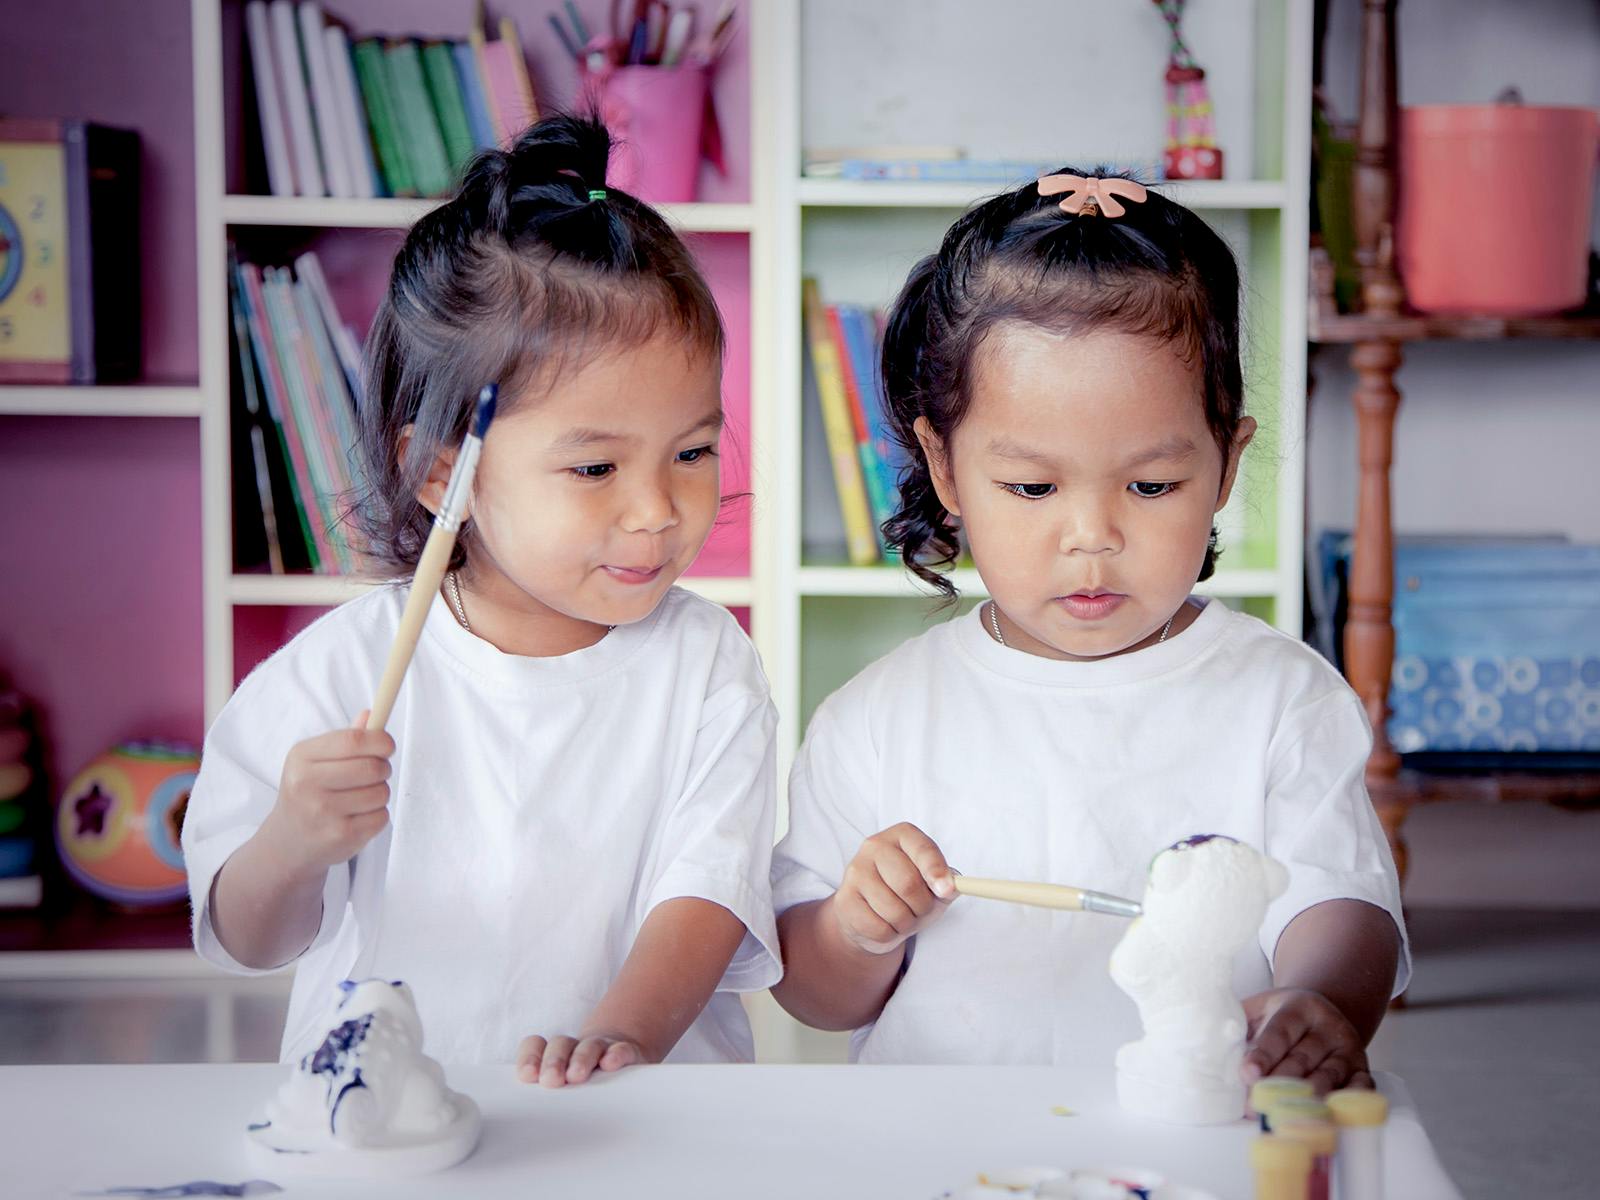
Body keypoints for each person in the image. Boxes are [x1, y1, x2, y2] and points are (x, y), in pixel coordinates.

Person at [771, 171, 1406, 1093]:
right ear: (946, 469)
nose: (1092, 535)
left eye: (1151, 486)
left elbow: (1346, 908)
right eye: (1033, 488)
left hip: (1197, 1131)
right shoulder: (878, 718)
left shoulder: (1281, 697)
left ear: (1227, 464)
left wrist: (1321, 1005)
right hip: (945, 1150)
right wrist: (856, 929)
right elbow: (814, 994)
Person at [183, 114, 779, 1088]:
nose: (657, 510)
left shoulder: (707, 660)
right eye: (594, 466)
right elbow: (249, 939)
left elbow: (707, 892)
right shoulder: (339, 670)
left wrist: (617, 1039)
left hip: (645, 1116)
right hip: (380, 1119)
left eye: (693, 453)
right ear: (439, 475)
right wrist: (291, 844)